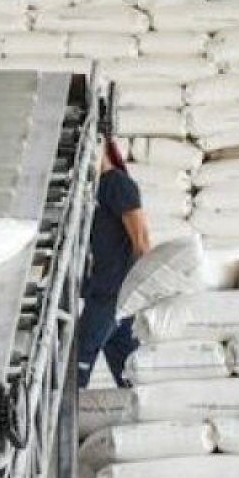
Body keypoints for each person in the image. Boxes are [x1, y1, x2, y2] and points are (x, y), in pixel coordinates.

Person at [77, 137, 151, 388]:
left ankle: (60, 425)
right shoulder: (89, 192)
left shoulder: (118, 184)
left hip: (114, 294)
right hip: (105, 293)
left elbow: (141, 240)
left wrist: (145, 293)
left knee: (76, 363)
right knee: (129, 372)